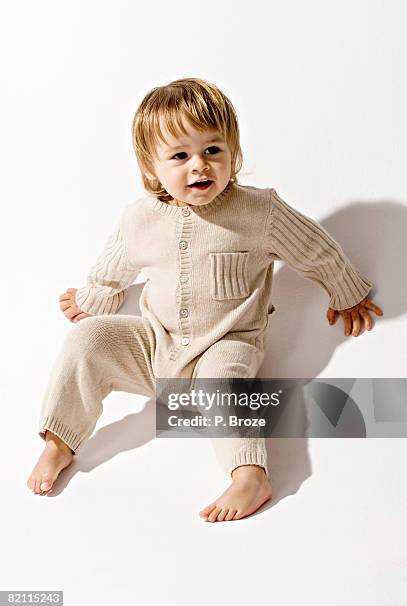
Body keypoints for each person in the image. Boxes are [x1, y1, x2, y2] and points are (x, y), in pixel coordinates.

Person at [27, 77, 384, 522]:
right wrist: (94, 296)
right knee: (89, 339)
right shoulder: (139, 219)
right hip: (157, 346)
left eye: (213, 150)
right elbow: (114, 264)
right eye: (180, 156)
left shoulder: (260, 212)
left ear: (232, 152)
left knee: (226, 381)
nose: (200, 166)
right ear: (151, 168)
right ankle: (59, 443)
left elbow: (316, 249)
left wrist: (347, 292)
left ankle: (250, 475)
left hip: (226, 345)